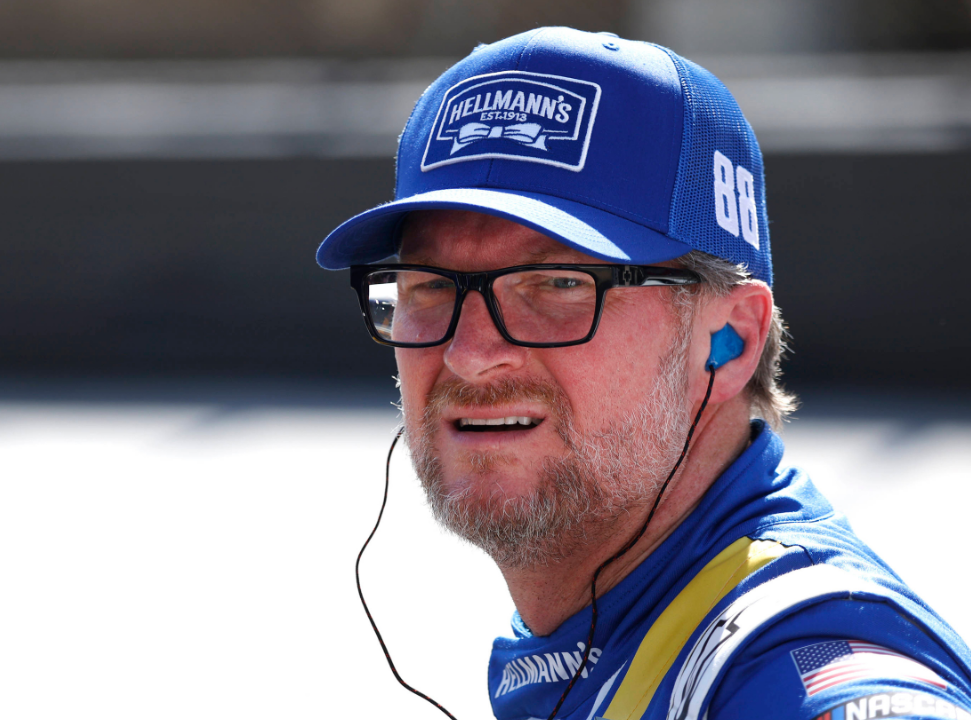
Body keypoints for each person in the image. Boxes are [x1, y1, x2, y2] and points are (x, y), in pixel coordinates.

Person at [315, 26, 971, 720]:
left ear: (729, 339)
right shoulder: (599, 632)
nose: (470, 354)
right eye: (429, 285)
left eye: (559, 283)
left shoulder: (797, 657)